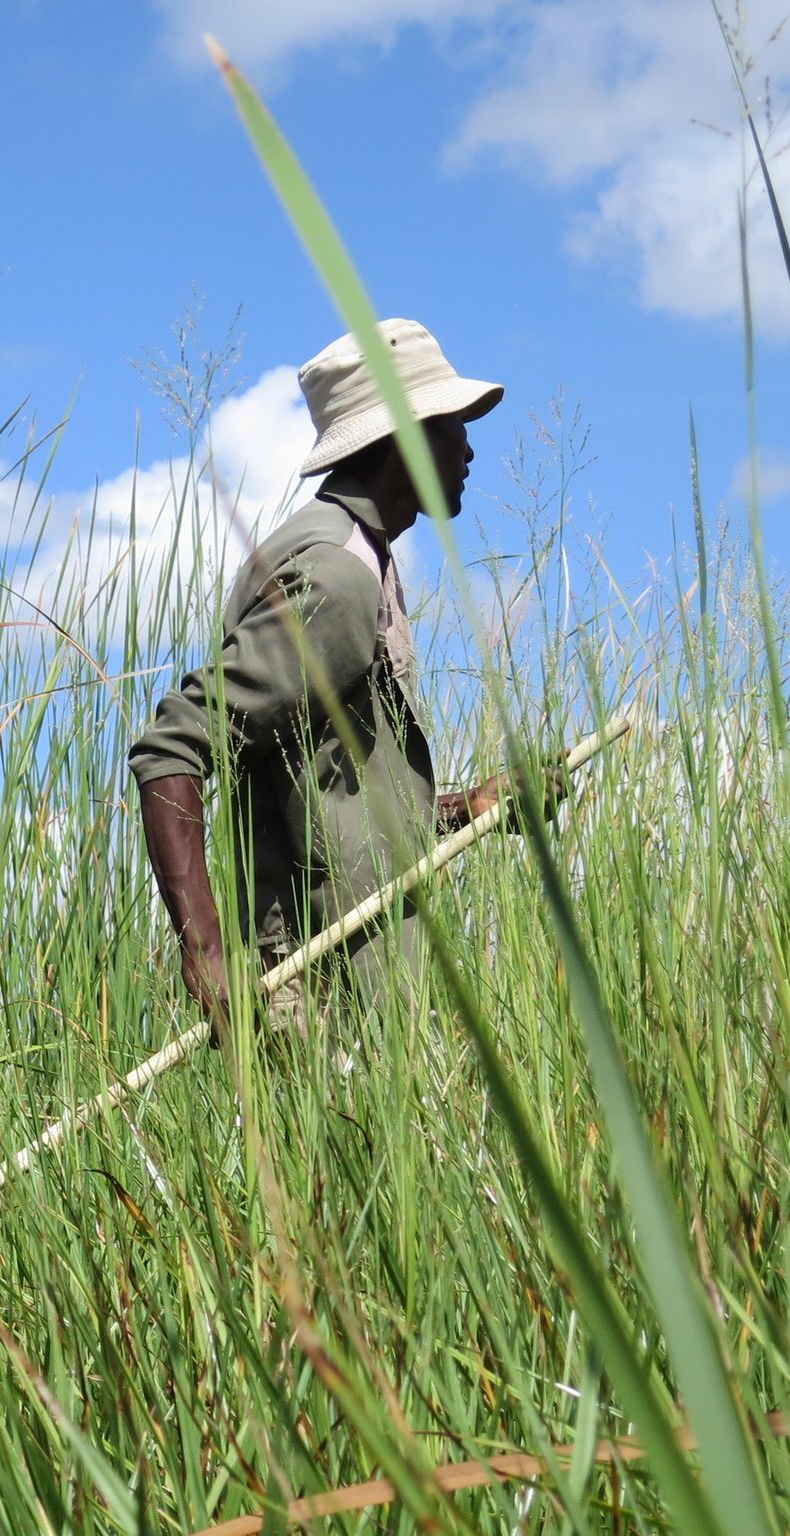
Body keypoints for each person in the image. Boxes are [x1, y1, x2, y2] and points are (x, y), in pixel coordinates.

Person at [126, 319, 556, 1043]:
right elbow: (172, 749)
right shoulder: (336, 575)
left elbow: (323, 784)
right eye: (452, 425)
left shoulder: (361, 558)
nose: (469, 449)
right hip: (324, 999)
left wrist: (466, 806)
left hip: (362, 983)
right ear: (406, 439)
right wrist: (204, 951)